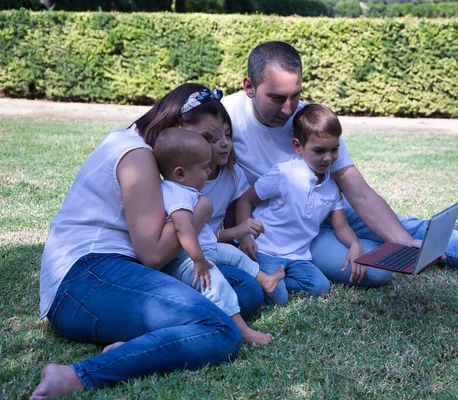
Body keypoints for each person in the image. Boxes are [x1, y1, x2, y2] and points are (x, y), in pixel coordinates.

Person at [221, 40, 458, 287]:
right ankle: (377, 249)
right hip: (289, 229)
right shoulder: (225, 118)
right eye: (276, 98)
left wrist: (406, 243)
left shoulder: (307, 120)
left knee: (418, 235)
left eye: (296, 95)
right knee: (376, 273)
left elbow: (359, 192)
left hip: (330, 210)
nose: (289, 109)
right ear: (249, 86)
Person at [31, 83, 264, 400]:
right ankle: (77, 376)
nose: (213, 150)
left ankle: (146, 344)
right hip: (83, 277)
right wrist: (201, 210)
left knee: (244, 290)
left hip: (122, 270)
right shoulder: (137, 155)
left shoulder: (152, 153)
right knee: (221, 331)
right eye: (205, 138)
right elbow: (153, 254)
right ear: (176, 129)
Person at [153, 126, 282, 344]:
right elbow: (183, 229)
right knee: (215, 283)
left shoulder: (184, 189)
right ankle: (241, 329)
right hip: (186, 258)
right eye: (204, 168)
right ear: (180, 173)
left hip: (206, 248)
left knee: (233, 254)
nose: (207, 173)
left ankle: (264, 279)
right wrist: (199, 260)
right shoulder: (176, 194)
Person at [236, 104, 364, 305]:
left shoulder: (332, 186)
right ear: (298, 146)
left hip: (298, 256)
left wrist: (355, 244)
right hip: (265, 249)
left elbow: (341, 226)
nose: (328, 158)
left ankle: (279, 279)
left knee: (321, 287)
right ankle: (262, 275)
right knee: (278, 298)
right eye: (319, 151)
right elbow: (245, 200)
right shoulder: (283, 173)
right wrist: (244, 236)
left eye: (334, 149)